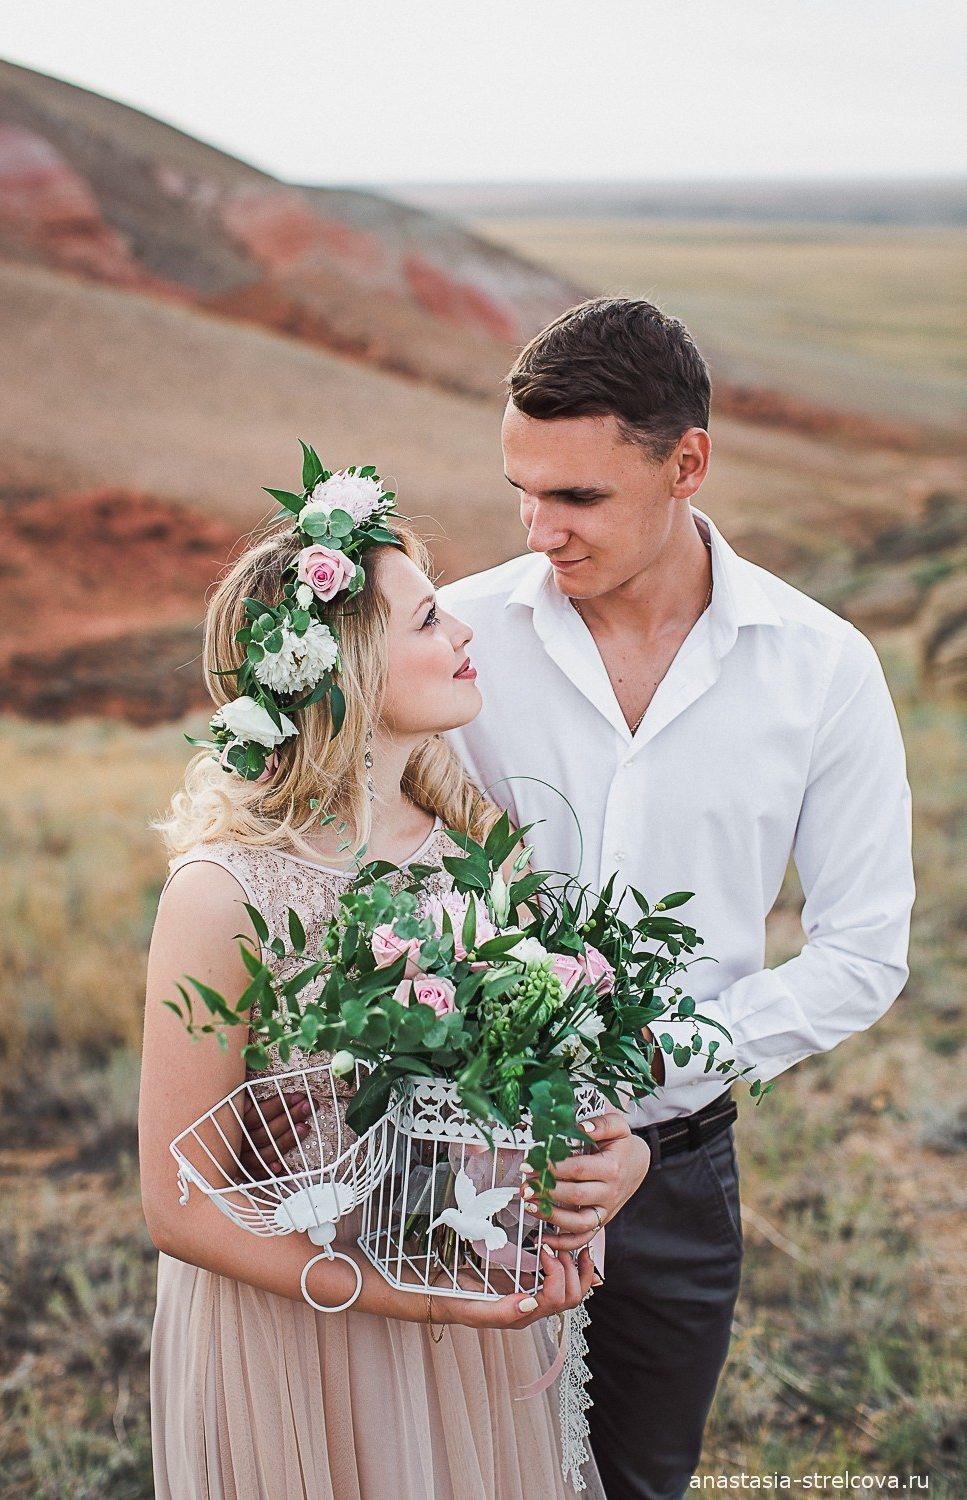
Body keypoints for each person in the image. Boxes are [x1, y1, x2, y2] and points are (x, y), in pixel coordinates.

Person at [439, 297, 915, 1500]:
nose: (539, 530)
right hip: (449, 1155)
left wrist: (654, 1079)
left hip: (678, 1171)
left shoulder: (822, 668)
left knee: (640, 1480)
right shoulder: (457, 637)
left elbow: (862, 952)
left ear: (686, 464)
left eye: (579, 499)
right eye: (522, 493)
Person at [140, 509, 650, 1500]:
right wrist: (402, 1304)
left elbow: (558, 1085)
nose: (462, 635)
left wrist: (611, 1159)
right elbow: (177, 1200)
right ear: (347, 669)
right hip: (299, 1335)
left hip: (468, 1312)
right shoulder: (224, 892)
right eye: (427, 620)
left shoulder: (479, 848)